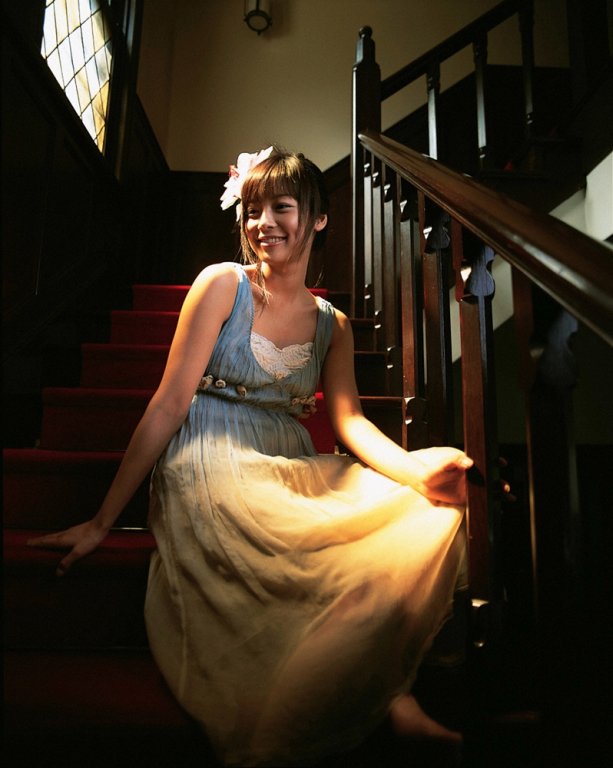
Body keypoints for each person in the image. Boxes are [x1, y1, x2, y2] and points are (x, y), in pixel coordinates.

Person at [29, 147, 475, 767]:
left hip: (290, 458)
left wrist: (418, 471)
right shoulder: (222, 285)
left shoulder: (334, 325)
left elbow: (350, 423)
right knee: (289, 553)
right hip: (210, 450)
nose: (263, 223)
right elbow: (168, 403)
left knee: (425, 510)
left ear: (318, 217)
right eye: (252, 210)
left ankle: (387, 694)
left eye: (281, 208)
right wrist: (104, 520)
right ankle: (388, 705)